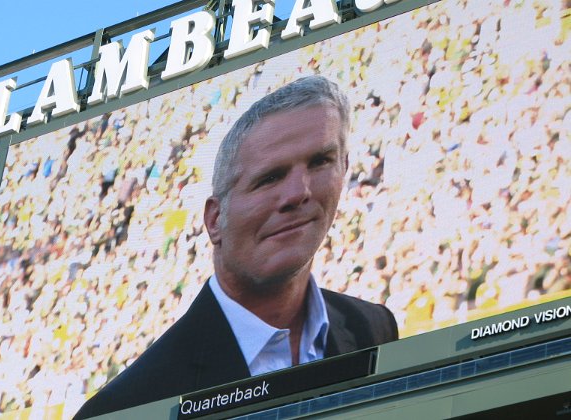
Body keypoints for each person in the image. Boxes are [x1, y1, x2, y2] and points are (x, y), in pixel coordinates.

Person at [74, 75, 398, 419]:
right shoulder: (126, 407)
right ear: (215, 220)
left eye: (320, 161)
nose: (298, 193)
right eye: (269, 178)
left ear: (344, 169)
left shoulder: (373, 327)